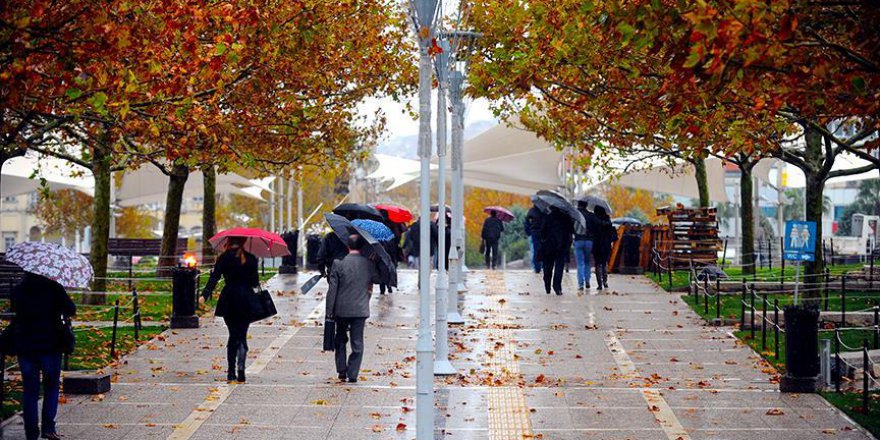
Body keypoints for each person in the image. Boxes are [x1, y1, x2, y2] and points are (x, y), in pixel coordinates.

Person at [10, 273, 76, 440]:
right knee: (51, 386)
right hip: (50, 345)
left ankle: (31, 432)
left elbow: (14, 311)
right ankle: (48, 428)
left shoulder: (18, 290)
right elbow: (71, 310)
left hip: (25, 345)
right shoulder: (54, 289)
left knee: (30, 390)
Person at [201, 237, 259, 383]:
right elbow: (255, 282)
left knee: (233, 336)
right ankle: (241, 371)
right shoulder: (251, 258)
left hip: (229, 300)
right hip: (246, 300)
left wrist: (204, 295)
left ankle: (231, 372)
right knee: (241, 336)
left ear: (228, 242)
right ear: (244, 243)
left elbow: (214, 278)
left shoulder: (223, 258)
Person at [326, 234, 381, 383]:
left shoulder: (338, 264)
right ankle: (353, 373)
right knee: (357, 342)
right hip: (360, 309)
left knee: (340, 339)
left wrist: (329, 312)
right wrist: (375, 262)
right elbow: (377, 279)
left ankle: (342, 370)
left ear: (348, 246)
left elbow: (332, 290)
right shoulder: (368, 264)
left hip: (341, 309)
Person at [539, 206, 574, 295]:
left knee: (547, 266)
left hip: (549, 246)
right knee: (559, 266)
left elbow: (542, 231)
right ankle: (557, 287)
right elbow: (571, 231)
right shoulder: (566, 217)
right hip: (562, 246)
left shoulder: (547, 217)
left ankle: (547, 286)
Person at [592, 206, 617, 290]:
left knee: (598, 264)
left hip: (597, 244)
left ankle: (599, 284)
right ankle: (605, 281)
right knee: (604, 263)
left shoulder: (595, 221)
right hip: (606, 244)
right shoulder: (608, 221)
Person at [574, 201, 598, 290]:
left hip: (578, 240)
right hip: (589, 241)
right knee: (587, 262)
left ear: (578, 205)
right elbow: (596, 228)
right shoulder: (591, 215)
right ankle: (587, 281)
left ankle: (580, 284)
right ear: (586, 205)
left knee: (580, 263)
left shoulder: (575, 215)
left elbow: (571, 227)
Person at [524, 200, 546, 273]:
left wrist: (528, 232)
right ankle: (542, 265)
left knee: (535, 250)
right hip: (542, 232)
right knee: (542, 249)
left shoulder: (531, 211)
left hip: (534, 232)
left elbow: (526, 222)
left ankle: (537, 267)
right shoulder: (543, 211)